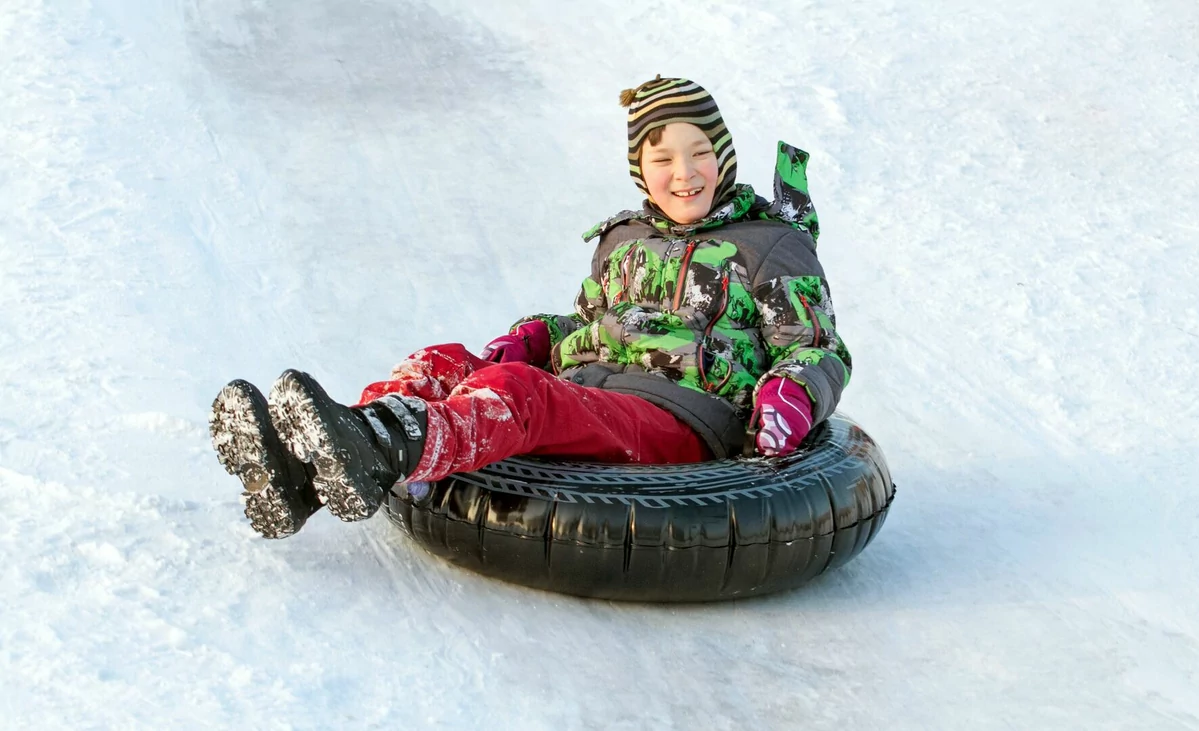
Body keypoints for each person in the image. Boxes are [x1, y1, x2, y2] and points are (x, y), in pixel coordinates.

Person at [210, 76, 852, 539]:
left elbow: (815, 348)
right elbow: (590, 322)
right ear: (641, 170)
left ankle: (383, 445)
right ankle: (313, 466)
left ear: (724, 156)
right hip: (595, 391)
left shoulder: (771, 246)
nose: (684, 174)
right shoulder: (623, 239)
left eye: (700, 153)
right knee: (445, 361)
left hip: (680, 416)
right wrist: (541, 336)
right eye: (663, 160)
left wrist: (793, 394)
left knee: (516, 392)